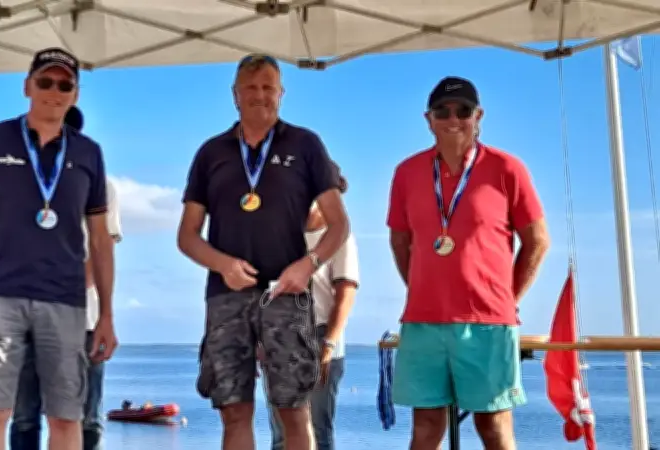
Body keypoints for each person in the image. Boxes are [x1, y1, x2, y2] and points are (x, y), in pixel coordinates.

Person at [0, 47, 118, 450]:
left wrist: (106, 314)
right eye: (45, 82)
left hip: (66, 302)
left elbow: (101, 240)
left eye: (65, 84)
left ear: (75, 93)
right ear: (27, 87)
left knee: (66, 416)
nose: (54, 91)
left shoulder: (89, 152)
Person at [177, 53, 350, 450]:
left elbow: (338, 224)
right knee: (234, 411)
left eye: (268, 87)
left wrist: (307, 266)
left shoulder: (306, 144)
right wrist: (222, 264)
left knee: (293, 409)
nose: (259, 95)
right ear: (234, 95)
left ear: (281, 93)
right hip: (226, 297)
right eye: (250, 88)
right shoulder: (211, 152)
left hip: (287, 296)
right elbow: (187, 236)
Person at [386, 76, 550, 450]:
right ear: (428, 119)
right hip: (424, 321)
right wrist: (419, 287)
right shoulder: (407, 172)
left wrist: (508, 297)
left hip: (488, 323)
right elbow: (399, 239)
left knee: (493, 426)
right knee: (425, 428)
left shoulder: (507, 168)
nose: (453, 118)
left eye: (463, 110)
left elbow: (537, 241)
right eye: (442, 111)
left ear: (479, 116)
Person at [9, 105, 124, 450]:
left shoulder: (102, 185)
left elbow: (102, 253)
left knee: (86, 417)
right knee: (25, 416)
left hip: (82, 320)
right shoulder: (18, 186)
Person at [265, 161, 359, 450]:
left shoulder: (338, 234)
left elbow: (346, 292)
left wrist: (328, 345)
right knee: (282, 435)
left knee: (317, 431)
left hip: (319, 336)